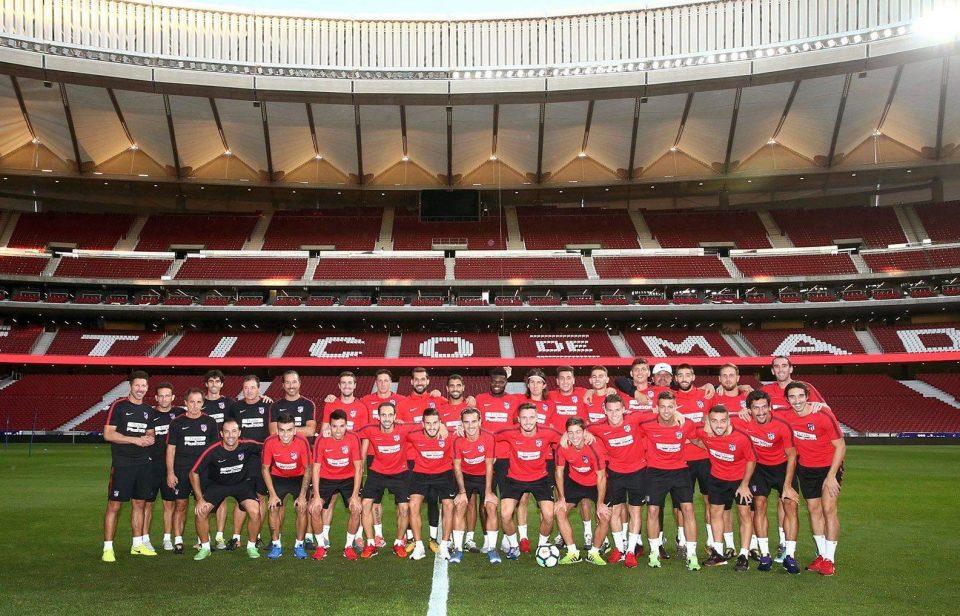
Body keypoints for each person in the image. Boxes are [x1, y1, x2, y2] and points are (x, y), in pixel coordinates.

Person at [782, 381, 845, 576]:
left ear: (808, 396)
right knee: (813, 510)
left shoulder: (823, 415)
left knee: (828, 509)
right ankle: (821, 555)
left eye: (800, 396)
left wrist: (832, 476)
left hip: (828, 468)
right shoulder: (785, 416)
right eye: (792, 397)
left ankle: (830, 560)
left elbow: (841, 446)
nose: (797, 400)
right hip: (806, 468)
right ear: (787, 399)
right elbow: (759, 412)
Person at [734, 390, 801, 574]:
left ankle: (790, 555)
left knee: (790, 505)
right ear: (749, 410)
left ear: (770, 407)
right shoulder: (742, 421)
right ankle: (765, 554)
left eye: (764, 407)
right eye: (756, 408)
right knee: (760, 503)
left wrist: (787, 485)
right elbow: (715, 420)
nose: (761, 412)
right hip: (759, 468)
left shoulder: (781, 426)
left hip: (782, 467)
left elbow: (792, 456)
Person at [636, 391, 700, 570]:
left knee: (688, 509)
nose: (666, 411)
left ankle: (692, 554)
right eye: (662, 407)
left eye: (670, 407)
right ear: (656, 408)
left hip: (680, 471)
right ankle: (654, 552)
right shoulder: (647, 424)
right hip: (655, 472)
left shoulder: (686, 425)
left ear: (675, 407)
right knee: (653, 511)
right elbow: (628, 419)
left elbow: (698, 440)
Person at [584, 394, 648, 568]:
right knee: (615, 511)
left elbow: (659, 413)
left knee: (635, 511)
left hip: (638, 472)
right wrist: (577, 434)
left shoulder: (634, 418)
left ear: (624, 409)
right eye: (610, 411)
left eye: (617, 410)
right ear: (604, 410)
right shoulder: (598, 427)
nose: (614, 414)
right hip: (615, 473)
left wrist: (678, 415)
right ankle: (620, 548)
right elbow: (581, 428)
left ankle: (630, 551)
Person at [692, 405, 757, 571]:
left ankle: (743, 555)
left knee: (744, 514)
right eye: (714, 421)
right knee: (715, 513)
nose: (718, 425)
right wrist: (707, 444)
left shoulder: (741, 438)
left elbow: (751, 460)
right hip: (717, 479)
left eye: (722, 421)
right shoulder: (705, 433)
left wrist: (744, 485)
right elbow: (692, 436)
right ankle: (718, 554)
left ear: (729, 421)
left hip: (740, 480)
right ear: (708, 421)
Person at [189, 417, 263, 561]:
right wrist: (199, 499)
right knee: (200, 512)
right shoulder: (212, 449)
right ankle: (205, 548)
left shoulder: (247, 445)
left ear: (239, 432)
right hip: (218, 485)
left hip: (241, 484)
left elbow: (269, 445)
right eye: (227, 432)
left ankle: (251, 546)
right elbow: (193, 472)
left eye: (234, 431)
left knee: (255, 511)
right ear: (221, 434)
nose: (231, 435)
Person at [496, 403, 562, 560]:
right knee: (505, 515)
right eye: (524, 418)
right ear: (518, 419)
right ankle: (513, 546)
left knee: (548, 515)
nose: (528, 421)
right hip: (514, 478)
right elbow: (485, 435)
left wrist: (585, 435)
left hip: (540, 478)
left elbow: (567, 437)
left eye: (531, 417)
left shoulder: (548, 432)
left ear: (537, 418)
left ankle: (542, 545)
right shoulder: (509, 432)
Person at [102, 371, 156, 562]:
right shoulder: (119, 406)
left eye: (144, 386)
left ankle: (137, 545)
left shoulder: (149, 410)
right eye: (137, 385)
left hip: (142, 463)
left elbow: (150, 434)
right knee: (114, 505)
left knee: (140, 504)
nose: (140, 389)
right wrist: (135, 440)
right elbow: (108, 434)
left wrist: (149, 439)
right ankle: (108, 548)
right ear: (130, 386)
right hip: (122, 463)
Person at [357, 402, 416, 558]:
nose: (387, 418)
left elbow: (425, 425)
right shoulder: (370, 430)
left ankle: (398, 543)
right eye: (384, 415)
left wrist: (443, 427)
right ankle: (370, 543)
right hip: (377, 472)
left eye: (390, 415)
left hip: (400, 473)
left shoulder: (403, 429)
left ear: (395, 416)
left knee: (404, 508)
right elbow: (350, 432)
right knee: (365, 504)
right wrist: (328, 430)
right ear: (379, 417)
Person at [166, 387, 219, 555]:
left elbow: (214, 450)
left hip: (203, 472)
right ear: (185, 403)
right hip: (181, 470)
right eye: (191, 402)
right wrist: (170, 472)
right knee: (180, 505)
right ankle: (179, 541)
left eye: (198, 402)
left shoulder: (210, 422)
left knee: (203, 506)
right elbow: (171, 450)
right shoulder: (176, 423)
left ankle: (201, 540)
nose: (195, 406)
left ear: (203, 404)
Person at [554, 417, 611, 566]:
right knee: (560, 511)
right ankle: (572, 552)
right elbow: (559, 472)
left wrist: (600, 503)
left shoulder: (594, 447)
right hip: (575, 482)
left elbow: (601, 477)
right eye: (571, 433)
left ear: (584, 432)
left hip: (595, 484)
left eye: (578, 432)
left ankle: (594, 553)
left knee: (604, 516)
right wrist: (561, 498)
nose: (574, 436)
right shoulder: (563, 446)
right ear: (566, 434)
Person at [308, 409, 363, 561]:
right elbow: (316, 468)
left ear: (346, 426)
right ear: (329, 426)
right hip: (327, 477)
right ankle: (320, 546)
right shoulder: (321, 439)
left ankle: (348, 547)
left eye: (341, 426)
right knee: (314, 508)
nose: (338, 430)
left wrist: (354, 496)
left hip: (348, 478)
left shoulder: (353, 438)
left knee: (356, 508)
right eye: (334, 426)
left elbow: (359, 468)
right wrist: (317, 496)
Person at [226, 375, 271, 551]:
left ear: (259, 388)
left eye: (252, 387)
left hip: (262, 459)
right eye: (246, 388)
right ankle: (236, 538)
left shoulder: (268, 405)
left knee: (260, 497)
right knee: (240, 498)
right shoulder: (236, 408)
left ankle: (257, 536)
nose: (249, 391)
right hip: (241, 460)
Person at [261, 412, 312, 560]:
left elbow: (308, 469)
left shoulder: (302, 442)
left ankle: (299, 545)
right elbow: (265, 468)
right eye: (282, 430)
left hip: (298, 477)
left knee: (302, 508)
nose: (285, 434)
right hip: (278, 477)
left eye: (289, 430)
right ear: (277, 430)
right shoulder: (270, 442)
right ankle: (276, 545)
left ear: (295, 430)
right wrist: (272, 494)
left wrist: (302, 496)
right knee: (273, 507)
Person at [451, 407, 499, 564]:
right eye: (466, 422)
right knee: (460, 505)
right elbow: (457, 467)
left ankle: (492, 549)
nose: (470, 426)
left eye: (474, 421)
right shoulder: (458, 440)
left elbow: (489, 465)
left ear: (480, 421)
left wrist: (489, 492)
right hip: (466, 476)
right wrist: (462, 491)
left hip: (484, 475)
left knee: (491, 506)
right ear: (462, 424)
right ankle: (458, 549)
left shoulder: (489, 438)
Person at [406, 408, 455, 560]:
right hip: (421, 473)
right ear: (422, 424)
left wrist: (447, 427)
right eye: (428, 423)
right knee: (413, 505)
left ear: (440, 423)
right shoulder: (414, 435)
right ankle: (419, 546)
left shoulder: (449, 435)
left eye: (435, 423)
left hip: (444, 473)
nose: (432, 427)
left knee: (448, 505)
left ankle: (445, 544)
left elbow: (467, 429)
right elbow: (399, 426)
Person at [146, 381, 183, 552]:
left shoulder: (180, 413)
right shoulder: (149, 414)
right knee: (148, 504)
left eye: (167, 395)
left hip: (172, 468)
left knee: (170, 504)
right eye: (161, 396)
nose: (164, 399)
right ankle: (144, 539)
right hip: (152, 467)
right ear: (156, 397)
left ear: (173, 397)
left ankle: (167, 538)